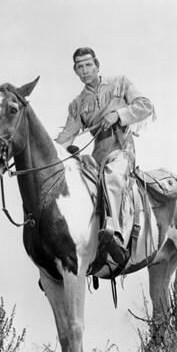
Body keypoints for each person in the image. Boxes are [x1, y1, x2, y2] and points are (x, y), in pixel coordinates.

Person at [56, 47, 155, 266]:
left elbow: (146, 106)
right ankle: (79, 242)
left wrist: (119, 115)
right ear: (75, 71)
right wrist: (50, 151)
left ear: (97, 65)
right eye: (79, 67)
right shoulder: (77, 104)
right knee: (78, 183)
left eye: (88, 65)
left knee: (112, 178)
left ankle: (117, 237)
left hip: (121, 147)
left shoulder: (119, 83)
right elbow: (67, 135)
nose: (84, 70)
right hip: (98, 153)